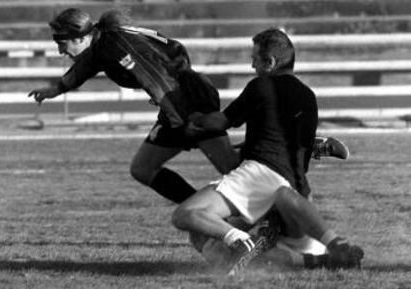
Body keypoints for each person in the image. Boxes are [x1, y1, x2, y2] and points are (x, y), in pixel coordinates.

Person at [28, 8, 349, 207]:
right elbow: (89, 66)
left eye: (62, 43)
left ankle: (303, 149)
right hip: (175, 100)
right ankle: (199, 208)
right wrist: (55, 89)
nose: (60, 50)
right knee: (144, 168)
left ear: (80, 36)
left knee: (227, 165)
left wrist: (177, 112)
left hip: (186, 101)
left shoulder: (114, 46)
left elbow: (153, 77)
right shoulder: (103, 41)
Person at [171, 28, 364, 275]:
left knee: (187, 216)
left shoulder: (261, 85)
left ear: (270, 62)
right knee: (273, 223)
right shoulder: (308, 96)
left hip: (259, 175)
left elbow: (221, 122)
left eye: (255, 59)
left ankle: (239, 243)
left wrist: (196, 118)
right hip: (296, 194)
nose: (252, 66)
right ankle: (314, 257)